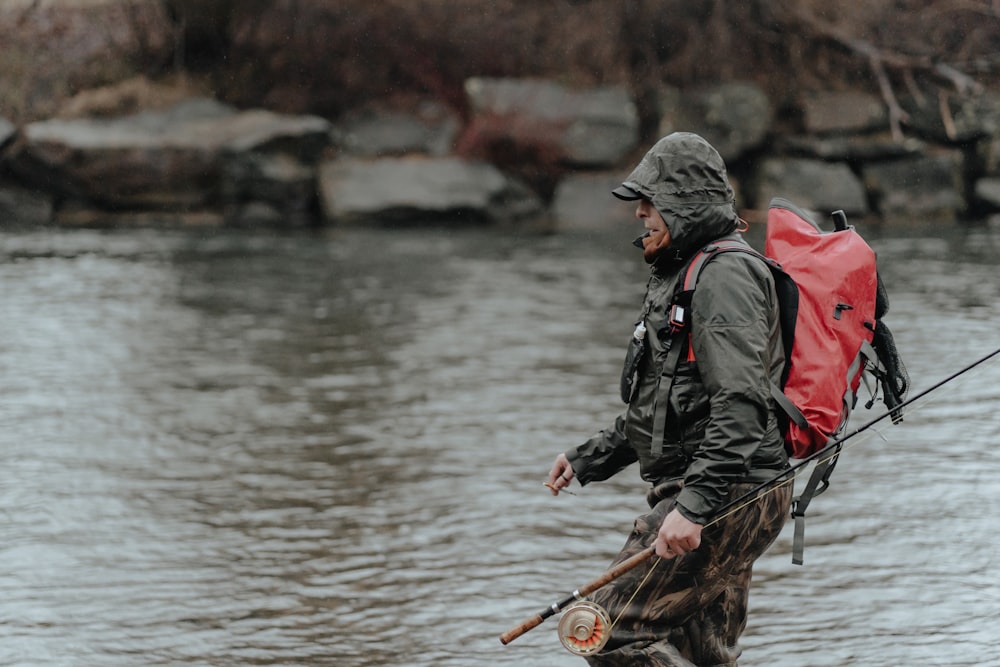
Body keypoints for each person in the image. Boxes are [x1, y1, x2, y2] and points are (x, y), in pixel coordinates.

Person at [547, 132, 791, 666]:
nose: (639, 213)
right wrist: (591, 456)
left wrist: (695, 506)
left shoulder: (723, 275)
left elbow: (742, 403)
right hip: (731, 486)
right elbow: (666, 405)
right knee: (702, 652)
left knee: (601, 631)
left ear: (683, 206)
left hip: (726, 493)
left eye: (650, 200)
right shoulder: (686, 270)